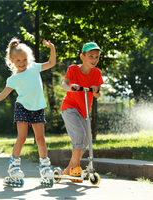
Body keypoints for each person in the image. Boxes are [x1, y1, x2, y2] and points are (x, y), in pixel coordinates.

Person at [0, 38, 56, 186]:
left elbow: (51, 63)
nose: (22, 63)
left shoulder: (34, 67)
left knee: (40, 139)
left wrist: (52, 48)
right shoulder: (13, 79)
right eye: (18, 60)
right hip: (22, 108)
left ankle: (45, 167)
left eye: (24, 59)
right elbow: (2, 95)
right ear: (12, 61)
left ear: (28, 59)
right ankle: (14, 169)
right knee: (22, 137)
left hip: (37, 108)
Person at [61, 42, 103, 182]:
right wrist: (71, 87)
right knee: (79, 134)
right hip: (69, 107)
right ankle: (76, 167)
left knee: (85, 141)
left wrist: (96, 90)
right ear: (82, 57)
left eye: (96, 57)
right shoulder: (73, 69)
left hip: (84, 111)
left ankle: (69, 168)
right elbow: (64, 84)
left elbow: (97, 94)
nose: (94, 59)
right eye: (91, 56)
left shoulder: (97, 73)